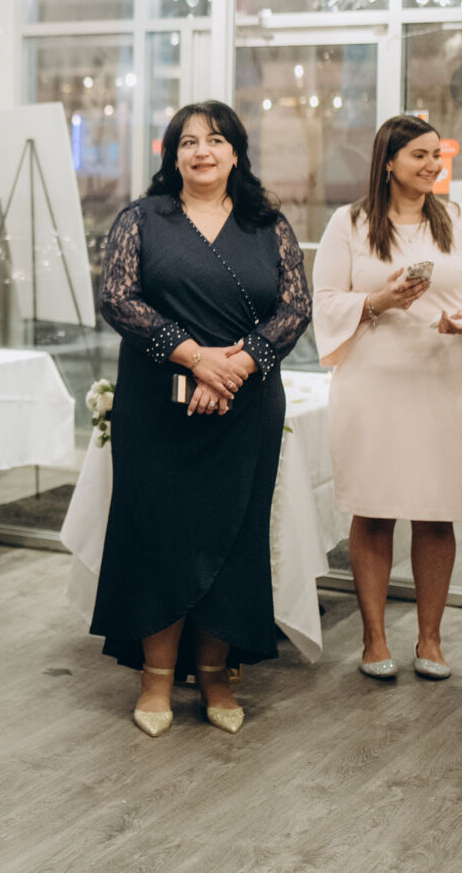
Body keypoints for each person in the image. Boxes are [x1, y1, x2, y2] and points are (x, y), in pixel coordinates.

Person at [91, 101, 311, 737]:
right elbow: (118, 299)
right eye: (187, 142)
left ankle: (217, 674)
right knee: (156, 535)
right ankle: (155, 679)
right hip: (158, 407)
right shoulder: (142, 219)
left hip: (246, 406)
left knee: (234, 536)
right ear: (173, 155)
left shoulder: (267, 224)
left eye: (215, 140)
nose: (202, 151)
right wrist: (194, 357)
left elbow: (295, 308)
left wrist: (234, 366)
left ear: (236, 153)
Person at [313, 114, 462, 684]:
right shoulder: (349, 223)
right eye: (420, 155)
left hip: (447, 384)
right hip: (373, 386)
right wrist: (379, 301)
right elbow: (324, 300)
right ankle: (373, 637)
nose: (432, 165)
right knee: (373, 510)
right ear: (389, 161)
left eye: (436, 155)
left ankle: (430, 638)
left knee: (436, 514)